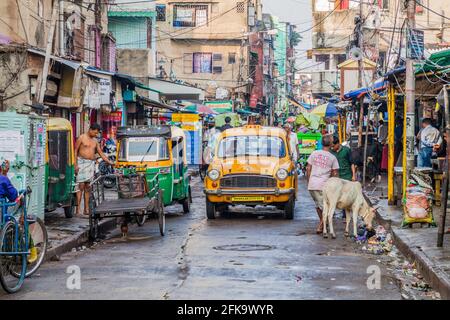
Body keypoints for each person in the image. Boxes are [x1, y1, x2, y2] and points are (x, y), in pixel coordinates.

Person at [0, 160, 37, 262]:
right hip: (1, 213)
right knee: (21, 201)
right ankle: (30, 247)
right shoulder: (3, 179)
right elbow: (13, 196)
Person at [74, 123, 114, 217]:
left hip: (90, 164)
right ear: (91, 129)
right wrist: (75, 165)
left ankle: (86, 209)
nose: (96, 135)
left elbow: (100, 152)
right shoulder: (82, 137)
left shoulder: (95, 141)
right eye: (95, 133)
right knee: (81, 186)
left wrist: (109, 161)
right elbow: (75, 151)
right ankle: (77, 210)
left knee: (88, 186)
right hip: (81, 163)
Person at [306, 135, 339, 234]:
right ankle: (322, 225)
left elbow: (308, 168)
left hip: (312, 185)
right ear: (331, 145)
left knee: (318, 205)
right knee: (325, 207)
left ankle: (323, 223)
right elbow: (335, 173)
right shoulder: (332, 157)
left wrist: (309, 180)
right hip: (323, 186)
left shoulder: (314, 153)